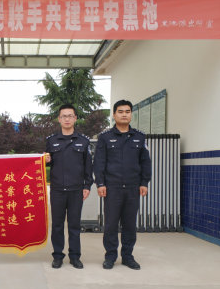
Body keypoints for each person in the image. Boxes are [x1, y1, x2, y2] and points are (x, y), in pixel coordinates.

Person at [93, 99, 151, 270]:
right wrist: (100, 183)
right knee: (110, 225)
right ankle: (110, 256)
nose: (124, 115)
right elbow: (99, 162)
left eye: (127, 111)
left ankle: (127, 256)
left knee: (130, 225)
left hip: (133, 188)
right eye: (120, 111)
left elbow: (145, 162)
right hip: (112, 188)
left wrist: (144, 182)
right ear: (114, 114)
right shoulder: (105, 137)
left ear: (131, 114)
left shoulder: (139, 137)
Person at [45, 104, 93, 269]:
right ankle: (58, 256)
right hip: (57, 190)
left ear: (75, 118)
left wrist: (87, 186)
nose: (67, 119)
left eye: (70, 116)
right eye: (64, 116)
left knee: (74, 225)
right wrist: (45, 161)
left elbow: (88, 166)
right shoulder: (51, 141)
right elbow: (44, 164)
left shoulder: (83, 141)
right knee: (57, 225)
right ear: (59, 119)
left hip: (76, 190)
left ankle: (75, 257)